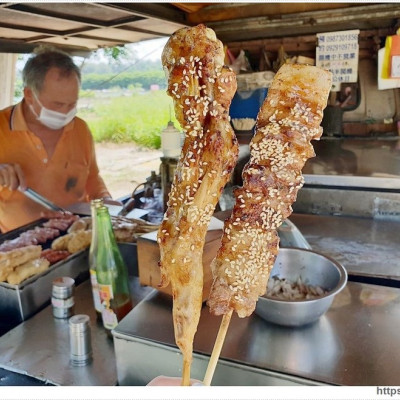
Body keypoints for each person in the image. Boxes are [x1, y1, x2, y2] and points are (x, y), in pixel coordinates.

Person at [0, 47, 120, 233]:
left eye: (72, 104)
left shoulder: (80, 129)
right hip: (19, 242)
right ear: (29, 95)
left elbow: (92, 178)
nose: (65, 112)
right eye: (57, 104)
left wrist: (104, 199)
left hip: (75, 234)